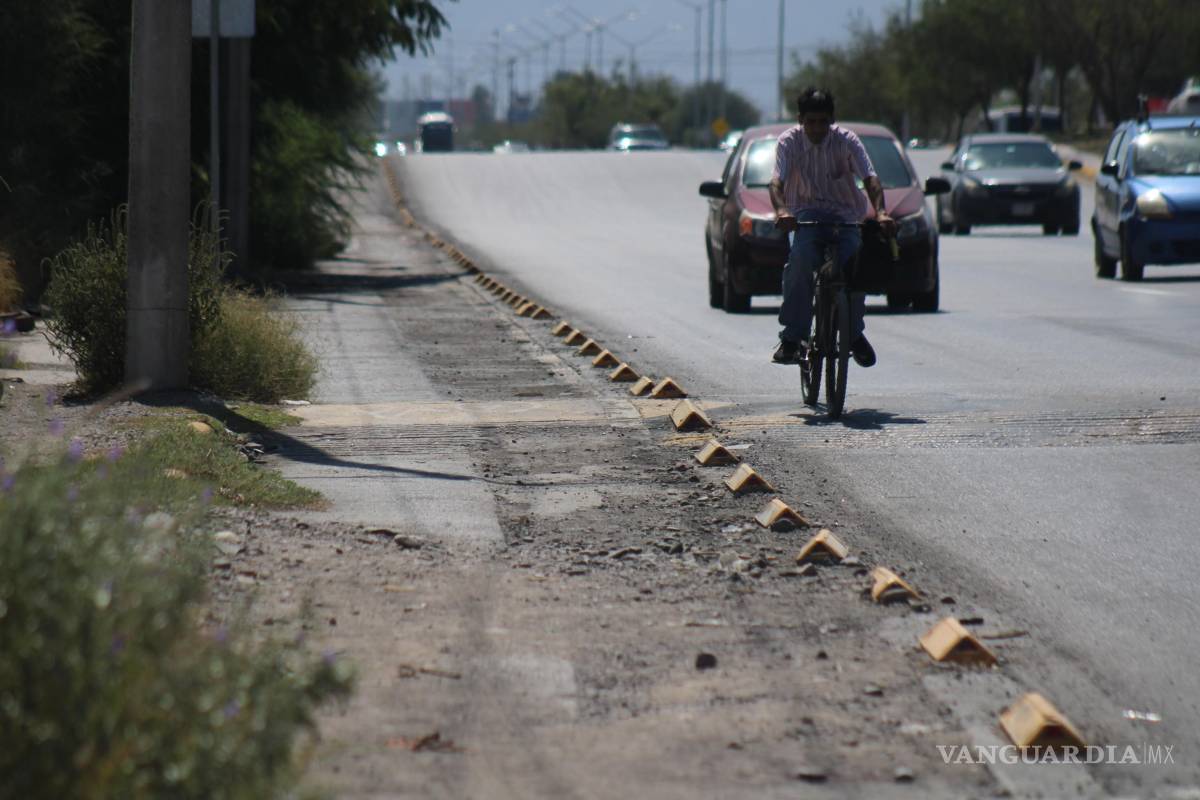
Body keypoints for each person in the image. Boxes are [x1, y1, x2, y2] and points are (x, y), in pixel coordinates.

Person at [768, 87, 896, 366]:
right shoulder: (789, 142)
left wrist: (882, 212)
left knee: (855, 270)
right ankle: (793, 338)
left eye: (823, 122)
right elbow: (776, 182)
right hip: (805, 217)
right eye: (811, 122)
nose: (817, 128)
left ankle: (853, 334)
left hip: (845, 217)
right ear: (800, 120)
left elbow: (870, 178)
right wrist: (782, 211)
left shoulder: (846, 140)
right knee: (800, 261)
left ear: (832, 120)